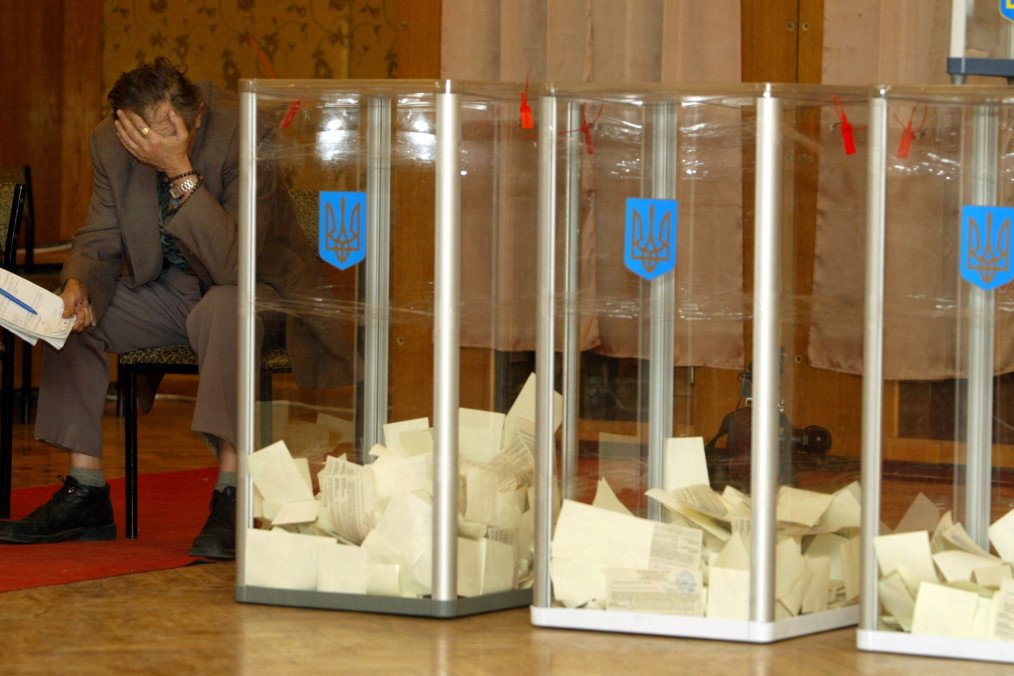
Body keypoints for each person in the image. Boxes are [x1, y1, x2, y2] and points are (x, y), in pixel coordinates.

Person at [0, 58, 356, 558]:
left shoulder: (247, 130)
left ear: (198, 112)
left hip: (259, 289)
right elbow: (100, 234)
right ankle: (86, 492)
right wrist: (78, 283)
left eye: (162, 129)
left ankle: (231, 492)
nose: (148, 142)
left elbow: (237, 265)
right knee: (74, 318)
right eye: (138, 132)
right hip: (168, 289)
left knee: (224, 307)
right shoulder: (110, 140)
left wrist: (179, 170)